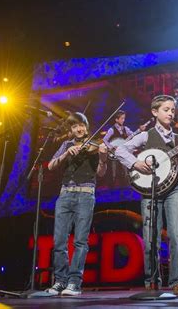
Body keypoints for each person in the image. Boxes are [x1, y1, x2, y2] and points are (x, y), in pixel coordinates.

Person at [114, 95, 178, 296]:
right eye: (166, 109)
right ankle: (152, 282)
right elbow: (119, 149)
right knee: (150, 236)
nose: (170, 113)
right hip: (150, 189)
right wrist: (135, 163)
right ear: (155, 112)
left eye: (172, 110)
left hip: (175, 188)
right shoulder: (146, 136)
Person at [45, 112, 108, 296]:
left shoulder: (95, 146)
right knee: (59, 241)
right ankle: (60, 281)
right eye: (74, 126)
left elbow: (101, 172)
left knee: (80, 241)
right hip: (65, 195)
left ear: (86, 127)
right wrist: (66, 153)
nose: (78, 129)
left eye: (81, 125)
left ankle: (74, 283)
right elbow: (51, 166)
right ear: (71, 130)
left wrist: (103, 158)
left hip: (85, 195)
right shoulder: (66, 145)